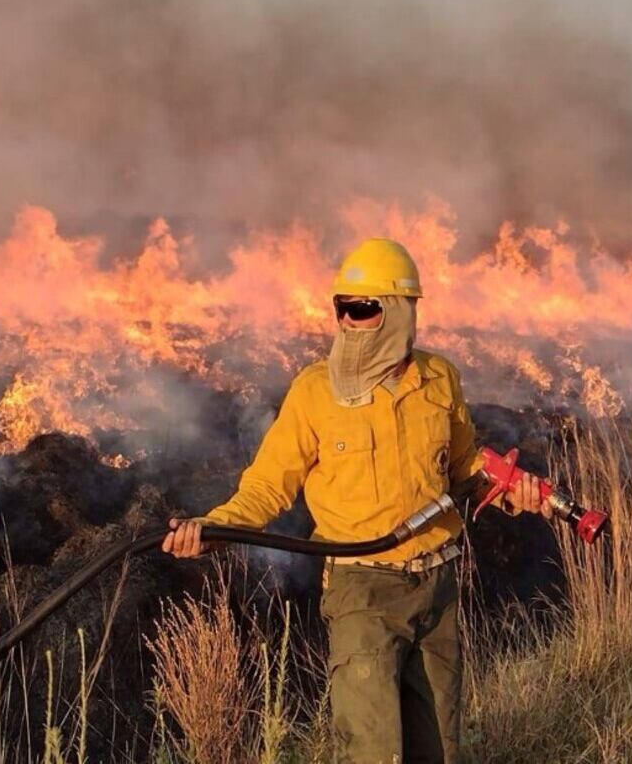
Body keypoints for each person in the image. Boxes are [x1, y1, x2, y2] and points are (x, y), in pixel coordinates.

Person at [161, 238, 551, 763]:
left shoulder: (439, 380)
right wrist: (211, 528)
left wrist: (512, 494)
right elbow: (266, 487)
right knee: (373, 750)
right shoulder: (315, 391)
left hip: (436, 586)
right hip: (362, 589)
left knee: (441, 750)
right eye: (341, 307)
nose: (347, 321)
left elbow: (463, 471)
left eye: (362, 309)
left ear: (398, 314)